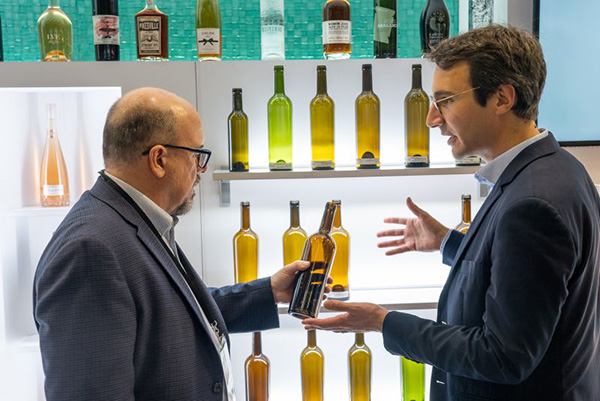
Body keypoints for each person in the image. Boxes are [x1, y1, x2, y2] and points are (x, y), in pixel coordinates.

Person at [303, 25, 600, 401]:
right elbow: (526, 278)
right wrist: (449, 243)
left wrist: (383, 322)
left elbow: (503, 356)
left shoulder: (532, 205)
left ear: (502, 98)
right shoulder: (560, 169)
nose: (431, 119)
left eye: (445, 101)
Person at [33, 87, 319, 401]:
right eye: (197, 156)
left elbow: (174, 311)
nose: (201, 171)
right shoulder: (90, 251)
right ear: (159, 159)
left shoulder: (133, 219)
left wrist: (269, 292)